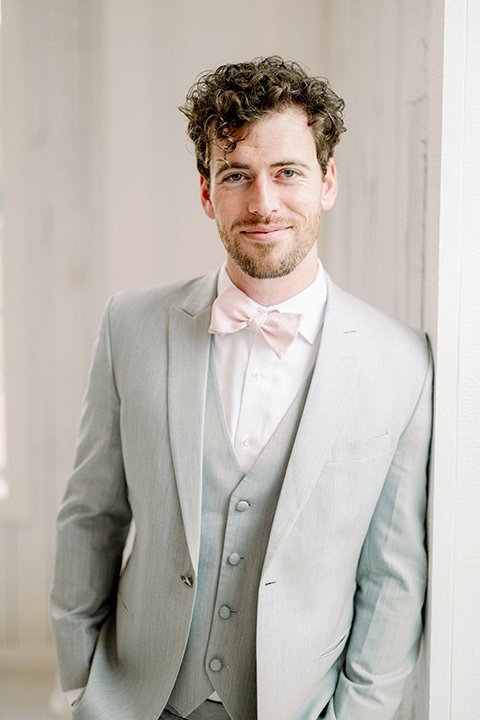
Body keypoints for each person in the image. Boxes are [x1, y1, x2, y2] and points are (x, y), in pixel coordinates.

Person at [50, 57, 433, 720]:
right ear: (206, 192)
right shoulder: (130, 327)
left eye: (288, 172)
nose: (263, 202)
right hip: (132, 701)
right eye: (236, 176)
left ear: (327, 182)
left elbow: (394, 578)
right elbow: (92, 516)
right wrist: (81, 681)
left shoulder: (402, 362)